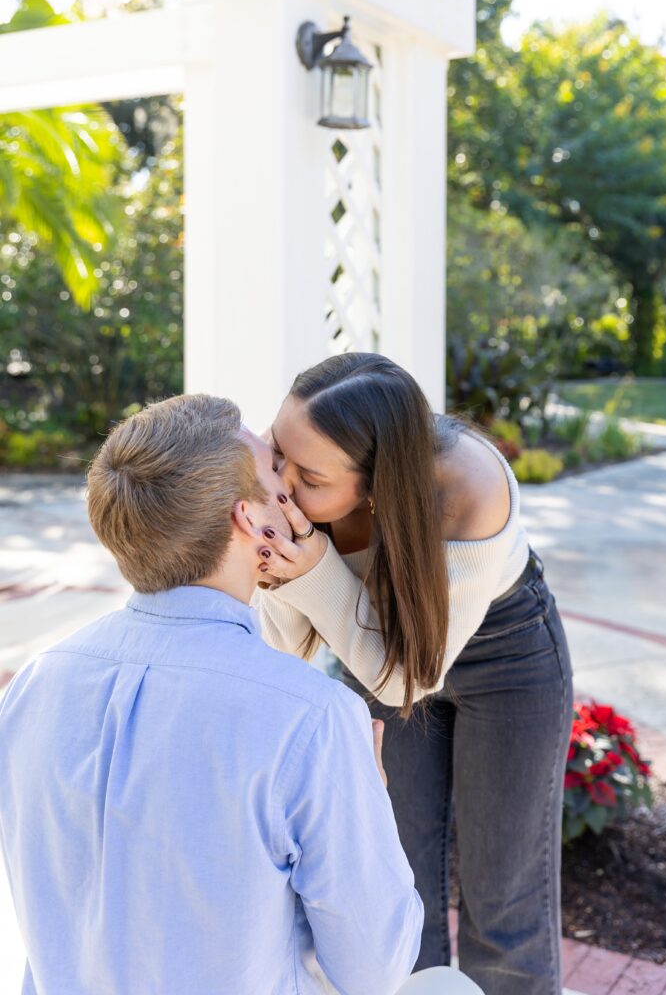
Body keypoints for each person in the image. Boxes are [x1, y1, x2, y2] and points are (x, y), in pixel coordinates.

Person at [0, 393, 424, 995]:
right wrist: (369, 799)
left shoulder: (33, 687)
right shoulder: (311, 718)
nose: (292, 491)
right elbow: (375, 969)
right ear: (250, 518)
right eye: (276, 472)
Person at [255, 353, 574, 995]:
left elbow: (407, 680)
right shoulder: (303, 487)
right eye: (275, 453)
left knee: (505, 894)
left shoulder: (468, 488)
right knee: (392, 876)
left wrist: (313, 569)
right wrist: (285, 566)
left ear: (376, 484)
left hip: (504, 657)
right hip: (374, 645)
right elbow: (284, 642)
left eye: (309, 477)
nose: (282, 486)